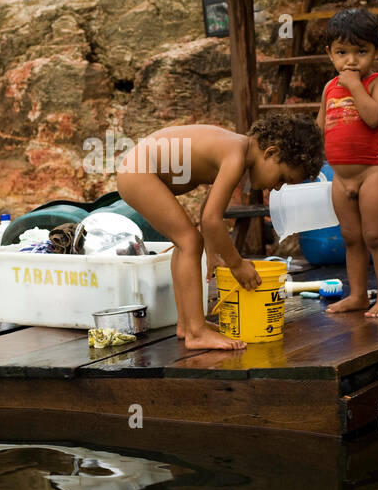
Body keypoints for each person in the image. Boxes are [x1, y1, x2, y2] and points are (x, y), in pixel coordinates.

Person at [115, 115, 324, 351]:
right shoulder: (235, 156)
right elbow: (211, 219)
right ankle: (196, 333)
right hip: (139, 171)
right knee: (189, 241)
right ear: (271, 153)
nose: (276, 187)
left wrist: (213, 250)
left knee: (187, 242)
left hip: (138, 169)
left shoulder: (236, 150)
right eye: (283, 178)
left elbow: (208, 209)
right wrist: (236, 264)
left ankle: (187, 324)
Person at [316, 8, 378, 317]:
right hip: (339, 177)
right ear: (330, 54)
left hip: (371, 173)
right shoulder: (328, 88)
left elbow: (374, 117)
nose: (351, 61)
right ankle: (358, 295)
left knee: (375, 237)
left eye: (361, 51)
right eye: (342, 52)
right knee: (350, 239)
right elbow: (321, 126)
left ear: (377, 51)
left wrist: (353, 86)